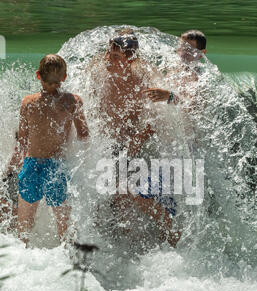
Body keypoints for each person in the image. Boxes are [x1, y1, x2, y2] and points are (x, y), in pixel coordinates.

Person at [88, 30, 181, 248]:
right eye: (109, 53)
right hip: (108, 143)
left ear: (130, 59)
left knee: (124, 192)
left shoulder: (142, 74)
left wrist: (136, 141)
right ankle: (118, 243)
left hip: (136, 143)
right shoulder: (99, 68)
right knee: (111, 196)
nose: (109, 60)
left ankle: (167, 231)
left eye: (116, 57)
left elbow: (163, 112)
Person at [4, 54, 89, 246]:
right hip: (57, 168)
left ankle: (21, 263)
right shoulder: (73, 101)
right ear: (64, 77)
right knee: (65, 230)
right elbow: (84, 135)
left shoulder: (27, 102)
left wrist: (9, 169)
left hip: (31, 166)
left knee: (23, 229)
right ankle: (70, 264)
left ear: (37, 75)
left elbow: (23, 142)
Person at [144, 29, 207, 104]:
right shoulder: (173, 69)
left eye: (189, 50)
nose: (183, 53)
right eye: (181, 48)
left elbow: (194, 110)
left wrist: (170, 96)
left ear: (201, 53)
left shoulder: (200, 79)